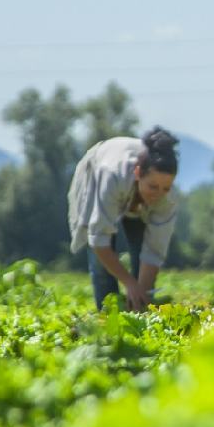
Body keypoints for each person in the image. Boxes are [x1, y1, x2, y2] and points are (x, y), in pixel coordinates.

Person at [69, 127, 180, 310]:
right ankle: (107, 315)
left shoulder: (168, 199)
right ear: (138, 174)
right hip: (100, 171)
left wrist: (141, 292)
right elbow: (99, 241)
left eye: (165, 188)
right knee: (101, 267)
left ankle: (139, 316)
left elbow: (153, 252)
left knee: (141, 264)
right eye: (153, 186)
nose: (159, 194)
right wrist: (129, 283)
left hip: (136, 202)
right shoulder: (111, 175)